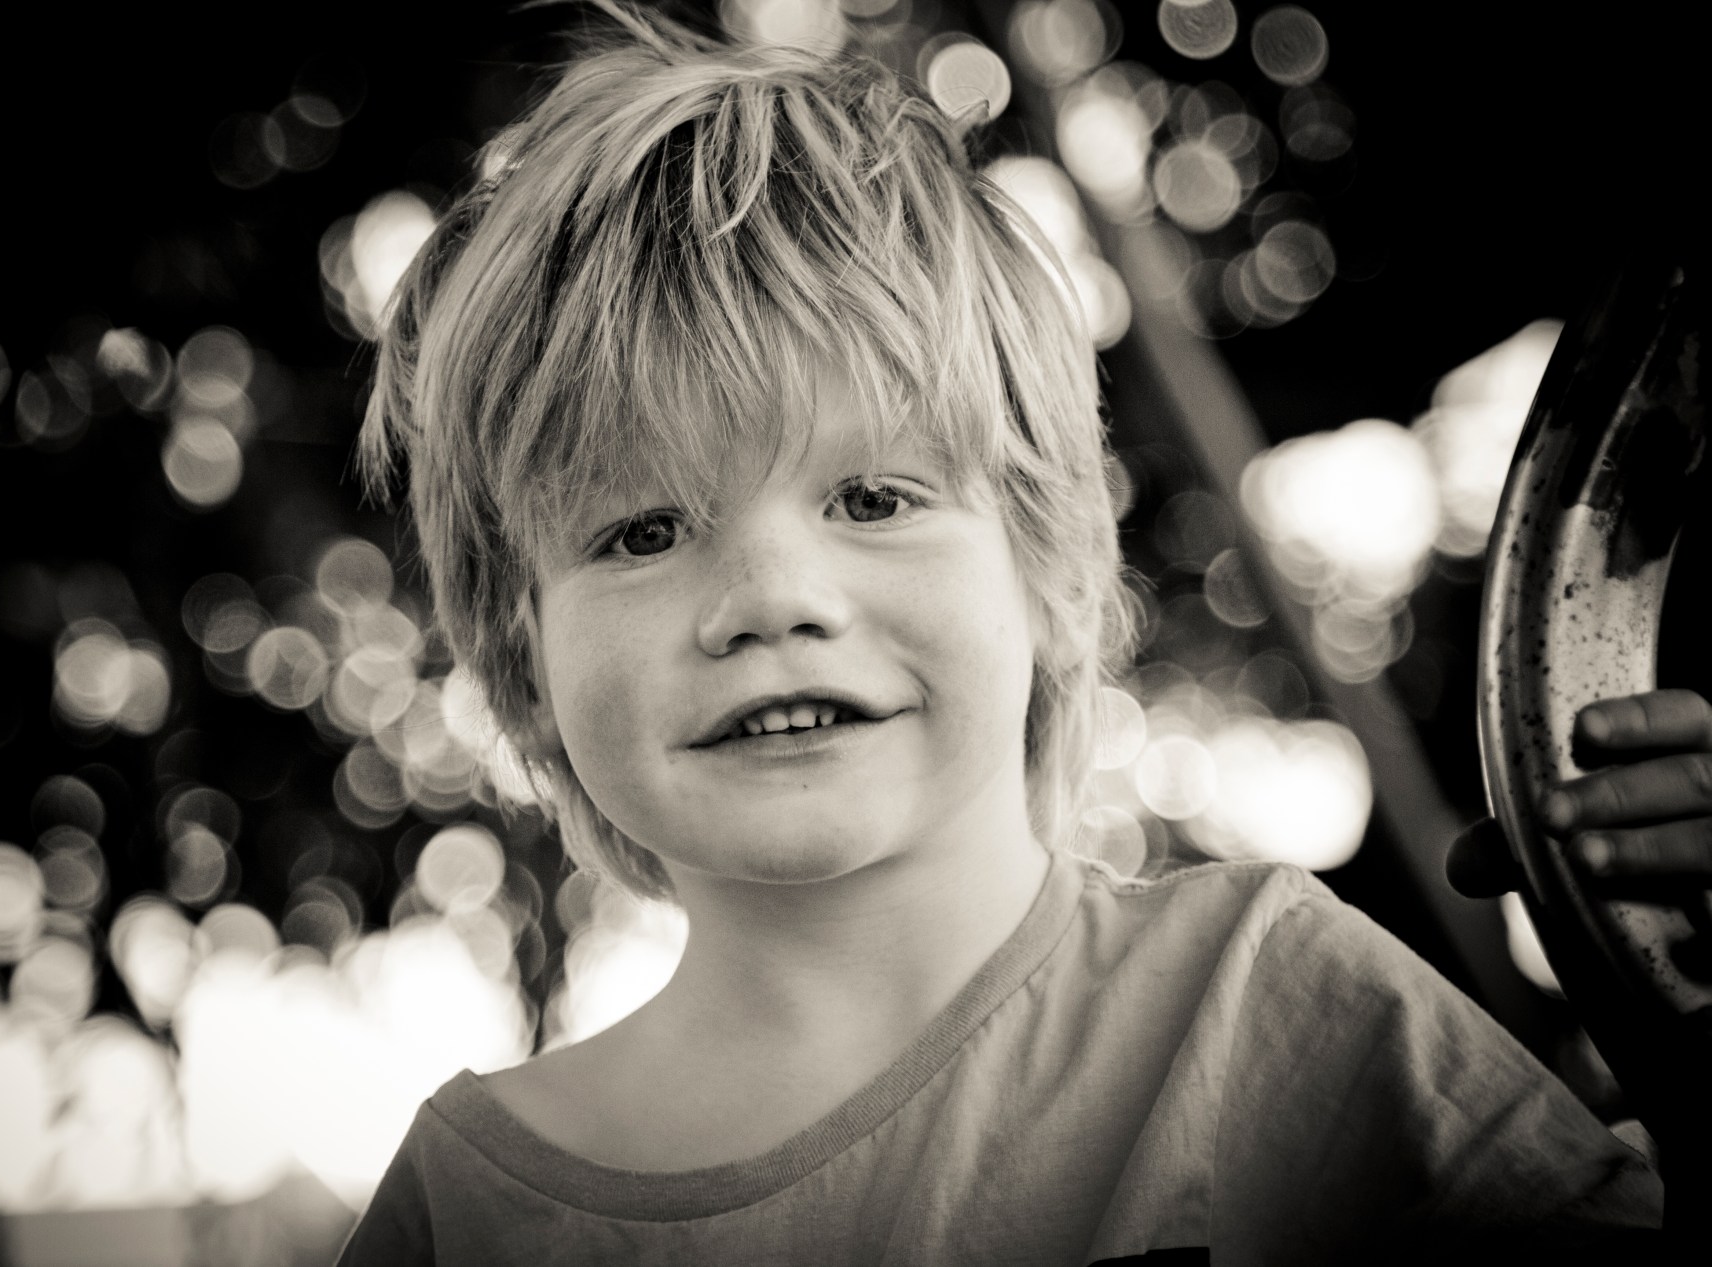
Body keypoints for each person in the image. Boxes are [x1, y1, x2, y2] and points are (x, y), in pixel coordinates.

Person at [336, 3, 1704, 1261]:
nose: (771, 599)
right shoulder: (464, 1211)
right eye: (642, 532)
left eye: (875, 498)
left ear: (1049, 568)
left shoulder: (1268, 1000)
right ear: (520, 660)